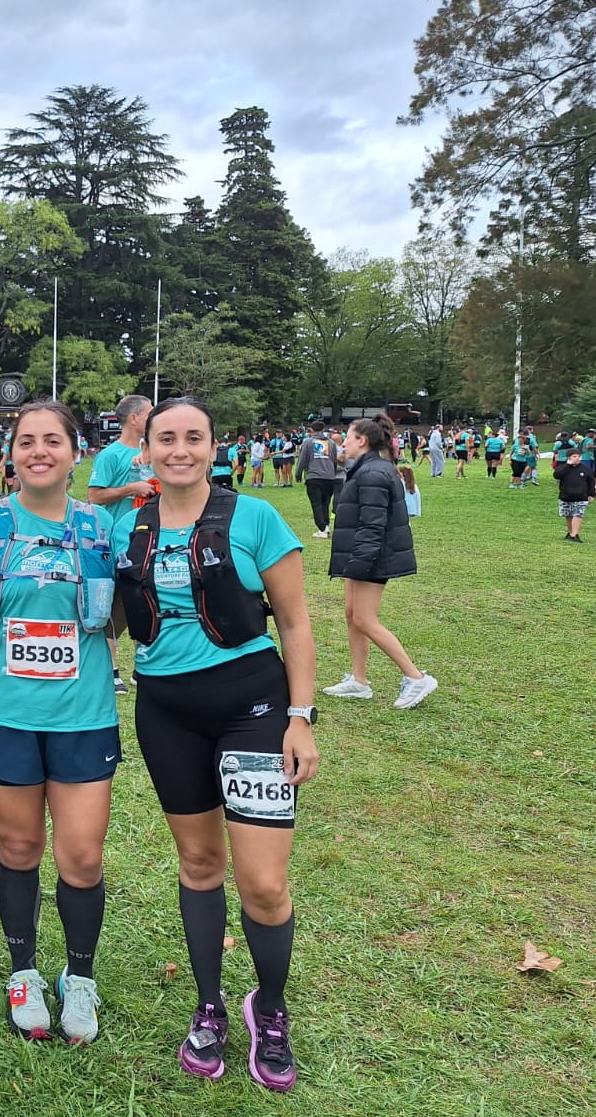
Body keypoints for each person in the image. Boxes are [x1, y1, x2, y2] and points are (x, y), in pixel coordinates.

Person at [112, 396, 319, 1093]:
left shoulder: (254, 517)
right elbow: (112, 615)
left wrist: (300, 717)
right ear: (146, 449)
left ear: (212, 446)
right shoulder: (128, 525)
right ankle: (209, 1004)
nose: (180, 450)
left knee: (263, 882)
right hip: (166, 711)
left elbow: (294, 623)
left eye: (193, 438)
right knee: (199, 863)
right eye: (166, 438)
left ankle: (272, 1007)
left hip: (251, 706)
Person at [0, 401, 118, 1043]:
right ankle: (23, 971)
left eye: (52, 440)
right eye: (26, 441)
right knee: (19, 847)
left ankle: (79, 976)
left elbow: (127, 612)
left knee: (81, 855)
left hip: (83, 715)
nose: (39, 452)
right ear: (11, 454)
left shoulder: (103, 526)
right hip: (3, 714)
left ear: (75, 452)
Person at [322, 416, 436, 709]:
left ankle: (416, 677)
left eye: (348, 437)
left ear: (362, 441)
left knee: (364, 619)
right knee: (352, 615)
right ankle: (359, 681)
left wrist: (359, 562)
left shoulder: (373, 473)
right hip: (359, 555)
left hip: (371, 557)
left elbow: (373, 525)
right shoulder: (365, 469)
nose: (343, 443)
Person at [87, 394, 154, 695]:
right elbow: (94, 497)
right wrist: (131, 488)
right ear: (134, 418)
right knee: (114, 605)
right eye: (149, 413)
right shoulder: (110, 455)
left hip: (151, 540)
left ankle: (143, 666)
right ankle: (111, 670)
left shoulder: (155, 452)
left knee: (149, 601)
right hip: (117, 543)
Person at [294, 423, 338, 539]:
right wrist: (333, 473)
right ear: (323, 429)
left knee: (316, 503)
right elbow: (334, 460)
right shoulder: (331, 443)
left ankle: (322, 528)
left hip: (314, 476)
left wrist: (298, 473)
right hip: (329, 477)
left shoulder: (308, 442)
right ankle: (326, 525)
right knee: (325, 503)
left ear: (311, 430)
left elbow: (302, 459)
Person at [555, 446, 594, 541]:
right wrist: (568, 465)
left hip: (581, 496)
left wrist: (591, 494)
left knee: (578, 514)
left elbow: (591, 482)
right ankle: (570, 532)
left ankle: (574, 534)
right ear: (569, 458)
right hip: (566, 496)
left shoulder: (586, 468)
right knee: (568, 515)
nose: (577, 458)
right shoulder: (563, 467)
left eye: (579, 456)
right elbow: (557, 475)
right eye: (574, 456)